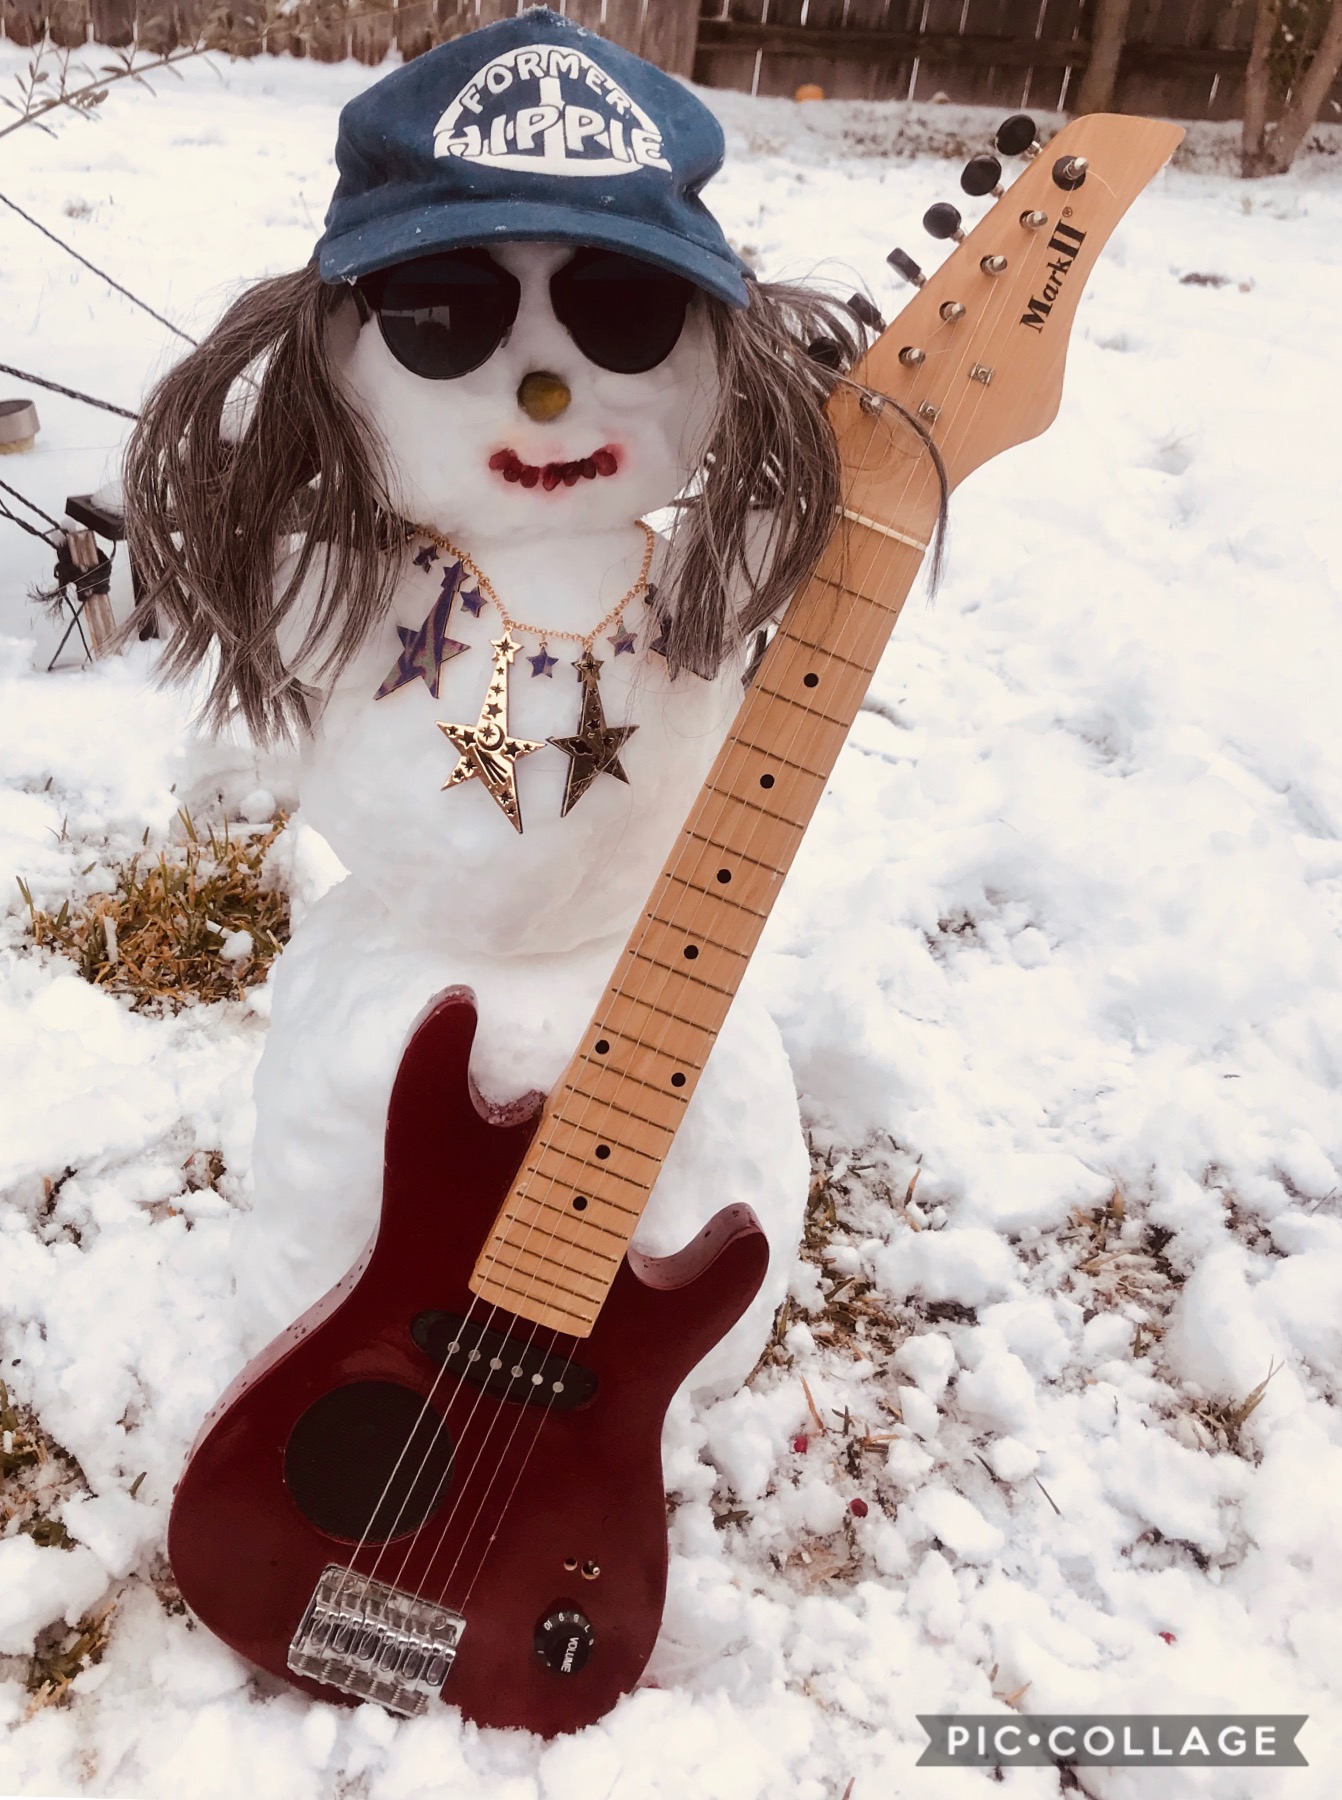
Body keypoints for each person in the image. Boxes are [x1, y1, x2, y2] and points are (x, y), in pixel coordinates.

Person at [124, 6, 866, 1393]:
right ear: (334, 346)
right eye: (443, 318)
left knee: (690, 1184)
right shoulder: (349, 587)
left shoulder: (691, 583)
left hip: (647, 994)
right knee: (347, 1202)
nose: (542, 385)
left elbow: (838, 542)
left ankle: (664, 1387)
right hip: (405, 995)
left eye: (623, 314)